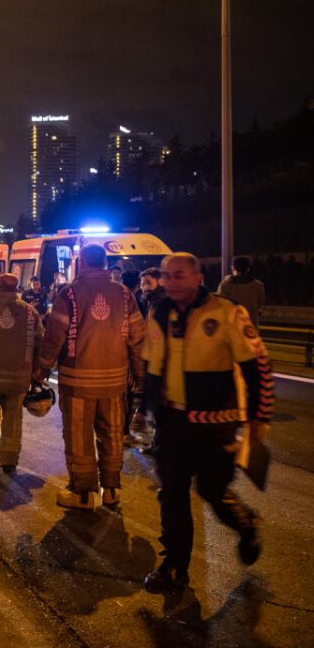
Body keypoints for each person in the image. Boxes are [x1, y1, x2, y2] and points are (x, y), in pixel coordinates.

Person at [141, 253, 274, 592]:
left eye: (179, 275)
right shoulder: (159, 311)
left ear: (198, 277)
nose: (172, 282)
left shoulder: (227, 312)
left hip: (215, 424)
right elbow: (152, 365)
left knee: (212, 491)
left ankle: (246, 525)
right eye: (168, 276)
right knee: (171, 493)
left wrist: (259, 417)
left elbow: (256, 367)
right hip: (171, 422)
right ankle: (174, 564)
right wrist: (144, 408)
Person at [37, 244, 145, 510]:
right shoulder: (124, 294)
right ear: (105, 263)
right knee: (112, 435)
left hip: (78, 382)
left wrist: (40, 371)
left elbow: (53, 339)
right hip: (114, 383)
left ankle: (83, 493)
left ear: (82, 262)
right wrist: (141, 377)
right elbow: (138, 340)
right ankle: (112, 489)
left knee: (79, 437)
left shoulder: (69, 294)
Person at [0, 274, 43, 476]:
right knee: (13, 418)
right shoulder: (31, 312)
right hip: (18, 378)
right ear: (17, 289)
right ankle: (9, 461)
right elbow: (41, 341)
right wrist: (39, 372)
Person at [217, 256, 267, 327]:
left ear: (233, 268)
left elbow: (220, 301)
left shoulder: (226, 283)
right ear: (248, 268)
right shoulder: (258, 285)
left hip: (231, 322)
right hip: (250, 322)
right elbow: (261, 302)